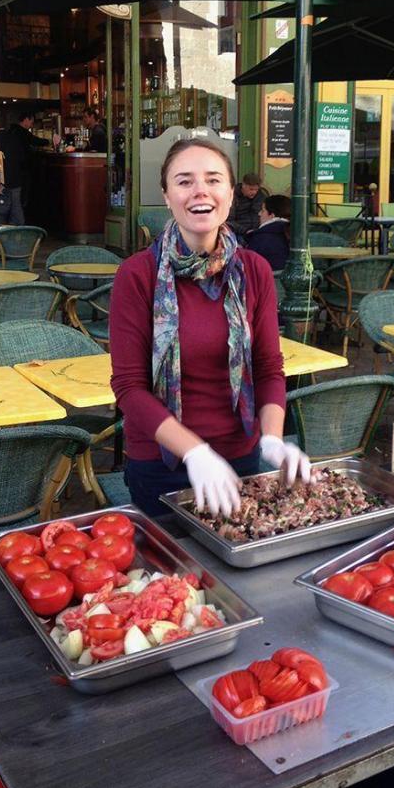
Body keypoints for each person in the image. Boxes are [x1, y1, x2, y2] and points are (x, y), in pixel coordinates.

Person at [110, 138, 312, 517]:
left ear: (231, 194)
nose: (200, 190)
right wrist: (196, 452)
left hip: (241, 459)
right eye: (184, 181)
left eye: (213, 179)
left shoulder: (255, 270)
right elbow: (129, 389)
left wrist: (272, 439)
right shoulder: (137, 275)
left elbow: (269, 366)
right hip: (162, 464)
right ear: (167, 196)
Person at [0, 109, 59, 211]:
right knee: (21, 197)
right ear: (26, 119)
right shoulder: (21, 132)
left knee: (17, 197)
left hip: (11, 170)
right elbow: (35, 141)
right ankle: (23, 217)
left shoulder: (13, 131)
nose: (32, 124)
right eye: (32, 121)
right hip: (20, 170)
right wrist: (50, 141)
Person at [245, 194, 291, 271]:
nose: (259, 213)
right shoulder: (294, 234)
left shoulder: (260, 239)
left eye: (263, 211)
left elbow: (247, 268)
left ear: (272, 216)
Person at [228, 171, 266, 236]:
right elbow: (229, 220)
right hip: (238, 233)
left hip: (258, 231)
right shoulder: (232, 197)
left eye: (256, 189)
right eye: (251, 189)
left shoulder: (261, 196)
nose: (254, 192)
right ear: (243, 185)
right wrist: (245, 231)